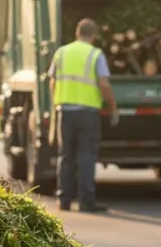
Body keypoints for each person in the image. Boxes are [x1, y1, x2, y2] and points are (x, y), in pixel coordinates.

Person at [48, 18, 118, 212]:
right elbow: (104, 84)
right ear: (93, 36)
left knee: (66, 156)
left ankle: (64, 200)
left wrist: (56, 105)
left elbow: (52, 81)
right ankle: (86, 201)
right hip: (87, 113)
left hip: (65, 112)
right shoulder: (95, 55)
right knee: (86, 156)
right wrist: (113, 107)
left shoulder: (61, 52)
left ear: (77, 33)